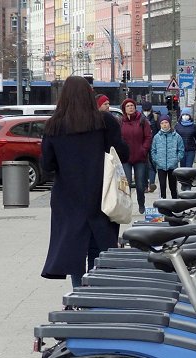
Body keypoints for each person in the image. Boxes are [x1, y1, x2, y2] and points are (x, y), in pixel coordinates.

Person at [40, 75, 129, 288]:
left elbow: (47, 165)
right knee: (100, 247)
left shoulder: (54, 125)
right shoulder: (104, 121)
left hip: (68, 198)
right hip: (101, 193)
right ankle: (99, 296)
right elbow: (123, 153)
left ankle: (78, 295)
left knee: (74, 248)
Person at [118, 98, 152, 214]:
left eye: (132, 105)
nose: (130, 107)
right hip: (125, 158)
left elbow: (148, 137)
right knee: (126, 184)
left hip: (140, 158)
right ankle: (126, 207)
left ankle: (141, 204)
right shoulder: (120, 122)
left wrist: (144, 149)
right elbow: (117, 138)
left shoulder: (142, 120)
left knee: (140, 184)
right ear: (124, 109)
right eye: (128, 106)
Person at [150, 115, 185, 199]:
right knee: (162, 186)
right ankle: (163, 204)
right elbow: (153, 150)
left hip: (172, 166)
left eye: (166, 122)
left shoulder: (176, 136)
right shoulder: (156, 137)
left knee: (173, 186)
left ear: (169, 123)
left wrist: (176, 159)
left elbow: (181, 150)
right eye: (162, 123)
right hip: (161, 165)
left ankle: (175, 204)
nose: (164, 125)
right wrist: (156, 160)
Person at [140, 102, 160, 193]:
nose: (147, 112)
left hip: (153, 145)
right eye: (145, 110)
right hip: (142, 145)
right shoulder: (139, 118)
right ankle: (144, 185)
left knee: (152, 165)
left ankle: (151, 184)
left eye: (148, 110)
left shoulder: (156, 118)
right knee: (143, 166)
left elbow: (159, 131)